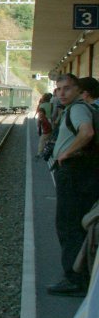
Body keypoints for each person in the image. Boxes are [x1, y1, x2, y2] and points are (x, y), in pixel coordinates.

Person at [48, 73, 99, 297]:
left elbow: (86, 132)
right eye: (58, 89)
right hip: (84, 174)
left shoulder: (78, 109)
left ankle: (74, 278)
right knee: (77, 224)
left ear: (79, 90)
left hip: (74, 174)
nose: (61, 93)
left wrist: (66, 153)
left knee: (68, 226)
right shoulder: (84, 109)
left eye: (67, 88)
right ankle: (81, 274)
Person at [36, 92, 54, 157]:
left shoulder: (42, 105)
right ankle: (47, 150)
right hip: (49, 121)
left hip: (43, 122)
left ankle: (40, 153)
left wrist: (38, 126)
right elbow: (52, 113)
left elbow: (39, 116)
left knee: (42, 139)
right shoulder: (51, 105)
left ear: (43, 98)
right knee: (48, 138)